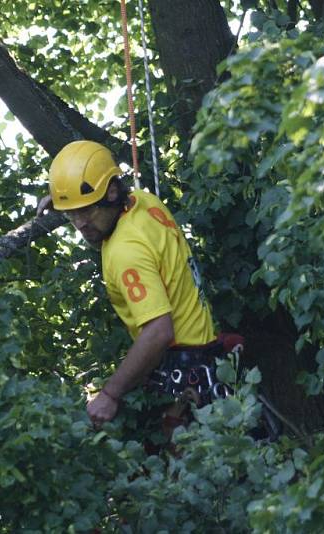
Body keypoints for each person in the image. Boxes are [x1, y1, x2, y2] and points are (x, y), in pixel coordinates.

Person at [39, 140, 231, 429]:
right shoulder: (144, 202)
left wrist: (109, 395)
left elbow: (158, 331)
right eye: (71, 214)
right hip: (208, 358)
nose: (79, 224)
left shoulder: (125, 252)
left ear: (112, 192)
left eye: (86, 211)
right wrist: (62, 200)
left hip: (180, 371)